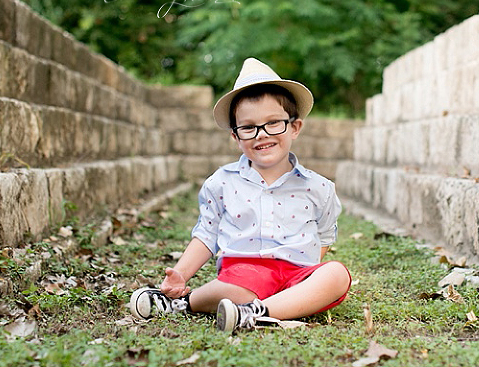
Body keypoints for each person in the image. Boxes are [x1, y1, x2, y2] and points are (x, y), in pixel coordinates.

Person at [129, 58, 352, 332]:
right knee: (239, 288)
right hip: (245, 272)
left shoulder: (318, 187)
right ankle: (183, 303)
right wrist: (181, 274)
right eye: (248, 127)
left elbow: (325, 234)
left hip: (297, 273)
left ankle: (257, 313)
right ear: (235, 136)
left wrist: (306, 273)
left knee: (337, 274)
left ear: (295, 127)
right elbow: (207, 235)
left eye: (274, 123)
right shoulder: (222, 183)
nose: (261, 134)